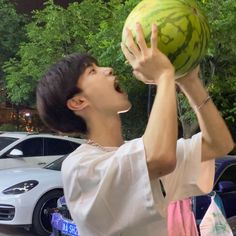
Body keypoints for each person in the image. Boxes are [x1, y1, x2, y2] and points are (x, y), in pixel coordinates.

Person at [36, 23, 234, 236]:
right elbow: (159, 158)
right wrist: (164, 76)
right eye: (92, 71)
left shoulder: (135, 152)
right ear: (78, 101)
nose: (108, 69)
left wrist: (190, 82)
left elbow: (219, 143)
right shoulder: (80, 167)